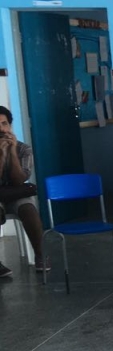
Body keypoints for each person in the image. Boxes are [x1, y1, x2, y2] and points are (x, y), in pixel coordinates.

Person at [0, 105, 46, 276]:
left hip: (15, 194)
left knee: (28, 209)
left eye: (4, 124)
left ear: (10, 125)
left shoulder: (23, 149)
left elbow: (19, 180)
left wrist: (11, 152)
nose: (1, 129)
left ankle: (40, 255)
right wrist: (1, 155)